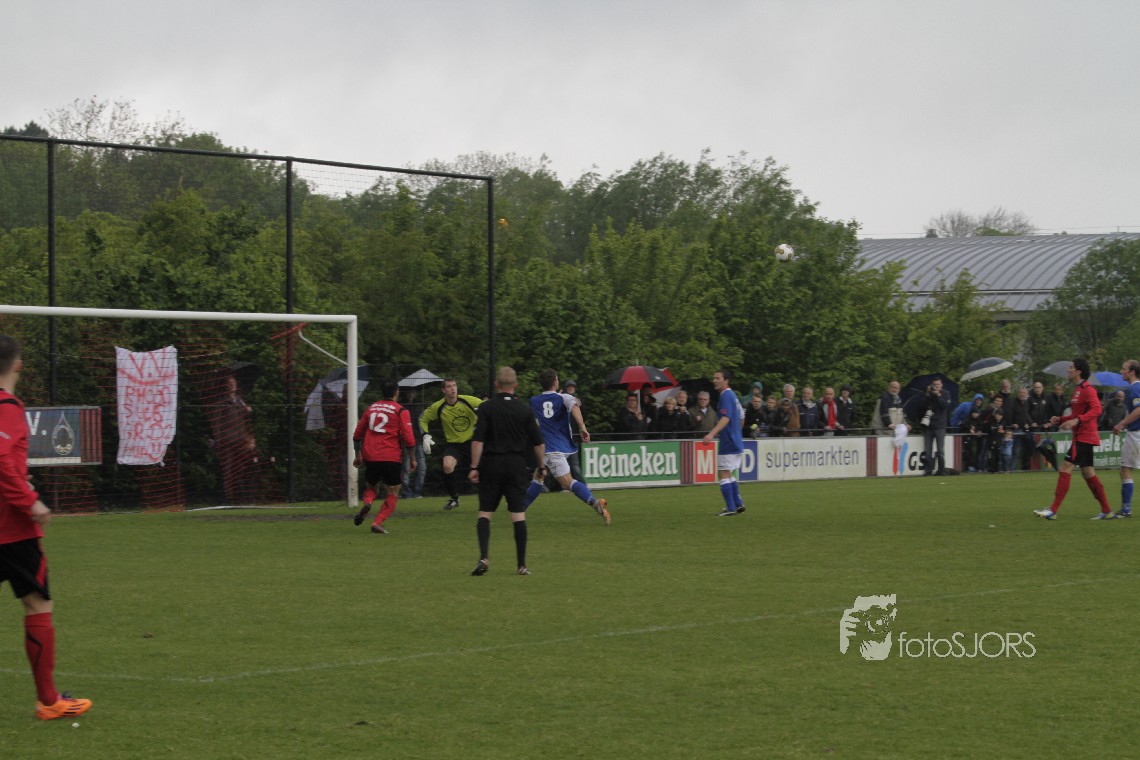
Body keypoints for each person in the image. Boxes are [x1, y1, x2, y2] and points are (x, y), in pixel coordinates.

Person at [0, 335, 93, 721]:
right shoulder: (6, 406)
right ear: (18, 365)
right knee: (38, 603)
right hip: (11, 530)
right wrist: (30, 501)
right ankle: (49, 701)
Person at [468, 367, 546, 576]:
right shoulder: (524, 410)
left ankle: (484, 557)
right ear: (516, 385)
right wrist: (541, 467)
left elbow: (478, 441)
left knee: (485, 512)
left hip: (491, 464)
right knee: (518, 514)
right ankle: (522, 565)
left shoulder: (486, 408)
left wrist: (474, 467)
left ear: (496, 385)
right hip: (516, 465)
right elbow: (538, 443)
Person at [519, 369, 609, 524]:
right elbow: (574, 407)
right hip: (556, 447)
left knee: (561, 481)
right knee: (545, 477)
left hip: (546, 447)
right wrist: (582, 427)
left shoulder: (534, 401)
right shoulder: (564, 397)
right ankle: (520, 509)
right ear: (555, 382)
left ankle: (595, 503)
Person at [1034, 359, 1113, 520]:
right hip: (1082, 436)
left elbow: (1097, 409)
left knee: (1065, 467)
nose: (1068, 370)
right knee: (1088, 472)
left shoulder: (1088, 389)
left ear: (1078, 371)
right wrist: (1061, 419)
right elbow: (1077, 415)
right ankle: (1106, 510)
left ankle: (1053, 510)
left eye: (1071, 367)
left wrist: (1077, 420)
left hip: (1084, 436)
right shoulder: (1077, 390)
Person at [351, 380, 416, 534]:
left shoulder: (372, 408)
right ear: (396, 392)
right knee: (393, 492)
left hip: (371, 455)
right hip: (391, 456)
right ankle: (377, 522)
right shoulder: (401, 410)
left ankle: (368, 502)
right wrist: (413, 458)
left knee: (371, 486)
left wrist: (358, 454)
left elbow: (358, 434)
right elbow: (408, 437)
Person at [420, 378, 483, 511]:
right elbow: (423, 419)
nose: (453, 388)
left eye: (454, 385)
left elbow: (488, 407)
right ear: (443, 390)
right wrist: (425, 435)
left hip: (472, 443)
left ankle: (498, 494)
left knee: (488, 469)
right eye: (449, 386)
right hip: (454, 445)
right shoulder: (438, 406)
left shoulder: (468, 401)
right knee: (447, 466)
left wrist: (483, 413)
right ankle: (454, 499)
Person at [703, 369, 746, 517]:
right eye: (713, 378)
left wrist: (711, 434)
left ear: (726, 380)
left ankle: (731, 507)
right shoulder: (732, 395)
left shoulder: (726, 395)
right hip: (735, 440)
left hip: (728, 441)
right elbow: (741, 416)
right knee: (728, 472)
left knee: (723, 474)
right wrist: (736, 432)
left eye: (717, 378)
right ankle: (738, 504)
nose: (714, 380)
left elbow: (726, 418)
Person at [214, 373, 258, 504]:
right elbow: (217, 423)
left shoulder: (240, 400)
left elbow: (247, 421)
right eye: (230, 384)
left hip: (241, 441)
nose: (232, 386)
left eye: (234, 383)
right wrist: (218, 440)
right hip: (227, 441)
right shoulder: (222, 402)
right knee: (227, 469)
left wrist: (248, 411)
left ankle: (240, 497)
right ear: (226, 386)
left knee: (241, 469)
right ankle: (226, 498)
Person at [1109, 359, 1140, 518]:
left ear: (1132, 372)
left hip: (1136, 434)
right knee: (1125, 470)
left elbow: (1139, 410)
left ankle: (1126, 510)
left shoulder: (1135, 388)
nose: (1121, 371)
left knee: (1125, 470)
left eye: (1124, 369)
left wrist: (1121, 424)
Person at [920, 378, 950, 475]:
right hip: (929, 426)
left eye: (938, 384)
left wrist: (938, 395)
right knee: (928, 450)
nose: (936, 386)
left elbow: (944, 406)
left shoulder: (945, 393)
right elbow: (923, 406)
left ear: (941, 385)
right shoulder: (929, 394)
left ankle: (941, 470)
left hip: (940, 426)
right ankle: (928, 470)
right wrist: (927, 394)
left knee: (940, 450)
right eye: (935, 384)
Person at [400, 401, 426, 499]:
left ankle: (416, 492)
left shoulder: (417, 408)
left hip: (417, 440)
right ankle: (407, 493)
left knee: (421, 467)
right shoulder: (403, 408)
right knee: (406, 468)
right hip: (408, 441)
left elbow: (422, 424)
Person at [1007, 386, 1032, 471]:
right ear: (1018, 393)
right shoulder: (1013, 402)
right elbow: (1010, 414)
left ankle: (1024, 468)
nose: (1022, 394)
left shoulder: (1026, 403)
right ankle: (1010, 468)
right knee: (1013, 450)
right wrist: (1012, 423)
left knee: (1025, 449)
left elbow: (1026, 415)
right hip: (1014, 430)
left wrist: (1029, 423)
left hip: (1024, 430)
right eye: (1021, 393)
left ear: (1027, 394)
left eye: (1024, 393)